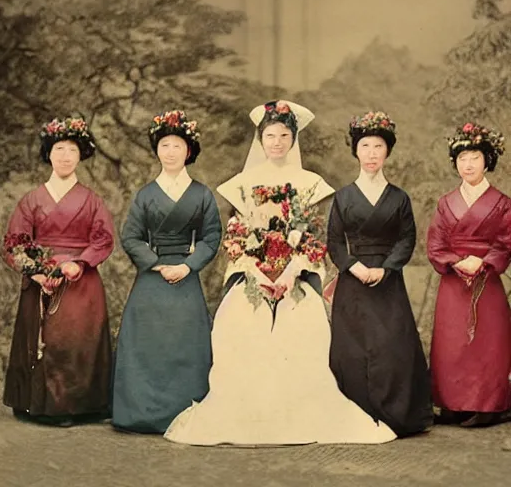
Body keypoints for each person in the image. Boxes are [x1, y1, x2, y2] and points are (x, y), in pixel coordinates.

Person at [164, 100, 397, 445]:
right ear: (261, 139)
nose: (276, 142)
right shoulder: (243, 183)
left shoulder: (308, 183)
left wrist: (291, 273)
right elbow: (237, 236)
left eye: (284, 135)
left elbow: (314, 237)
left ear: (293, 138)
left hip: (294, 278)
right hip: (253, 277)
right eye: (270, 135)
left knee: (306, 330)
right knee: (236, 325)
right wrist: (257, 274)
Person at [111, 110, 222, 434]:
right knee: (147, 345)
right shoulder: (146, 194)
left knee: (186, 344)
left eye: (177, 146)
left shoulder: (202, 194)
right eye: (164, 146)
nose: (170, 152)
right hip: (152, 277)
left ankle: (182, 411)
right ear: (157, 150)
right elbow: (130, 236)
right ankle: (140, 413)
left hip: (186, 277)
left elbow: (211, 237)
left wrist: (187, 265)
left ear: (189, 151)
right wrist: (156, 264)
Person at [3, 116, 114, 427]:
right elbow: (14, 244)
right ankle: (35, 402)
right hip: (41, 280)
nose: (65, 156)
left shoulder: (92, 200)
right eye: (59, 149)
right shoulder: (31, 200)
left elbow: (103, 238)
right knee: (42, 341)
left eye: (72, 151)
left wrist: (78, 263)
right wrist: (34, 271)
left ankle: (79, 405)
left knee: (76, 340)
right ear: (48, 153)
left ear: (81, 157)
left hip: (80, 281)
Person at [327, 111, 432, 437]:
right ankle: (355, 414)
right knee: (353, 351)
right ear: (356, 151)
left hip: (387, 283)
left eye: (378, 147)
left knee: (392, 346)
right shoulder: (343, 197)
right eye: (365, 146)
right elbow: (333, 240)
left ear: (387, 152)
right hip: (353, 281)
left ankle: (396, 414)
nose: (372, 153)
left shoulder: (399, 198)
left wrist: (385, 269)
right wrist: (354, 266)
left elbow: (407, 239)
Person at [427, 122, 511, 427]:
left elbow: (505, 244)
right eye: (462, 158)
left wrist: (484, 261)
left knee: (487, 342)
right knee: (452, 342)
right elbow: (435, 244)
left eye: (475, 157)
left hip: (485, 280)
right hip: (453, 279)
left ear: (487, 160)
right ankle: (452, 403)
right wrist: (453, 261)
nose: (468, 164)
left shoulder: (502, 203)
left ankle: (489, 405)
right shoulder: (445, 203)